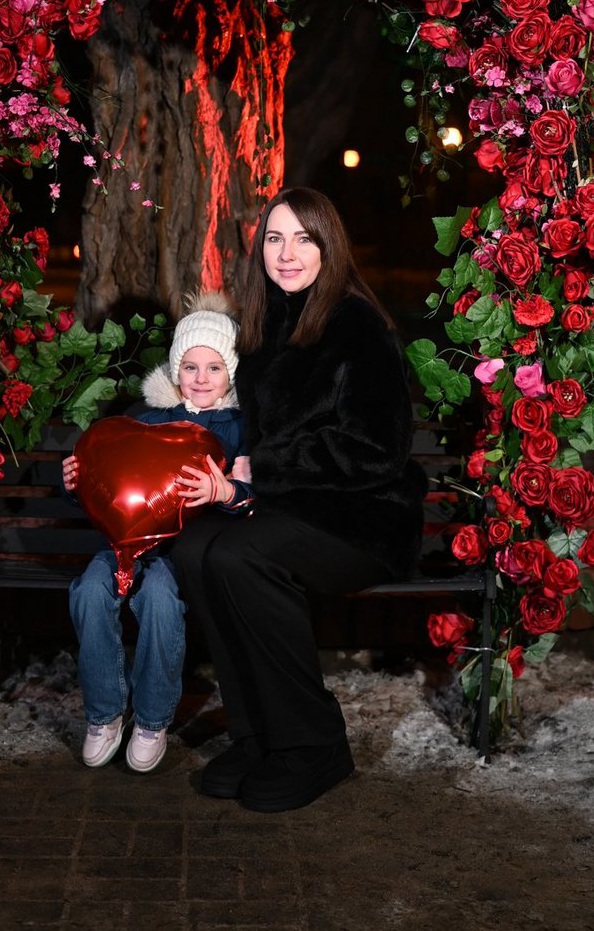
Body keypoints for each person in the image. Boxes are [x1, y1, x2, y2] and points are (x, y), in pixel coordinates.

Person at [172, 187, 428, 813]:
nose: (288, 254)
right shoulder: (263, 327)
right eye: (275, 239)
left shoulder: (358, 326)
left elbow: (376, 451)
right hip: (291, 510)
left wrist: (269, 467)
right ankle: (258, 734)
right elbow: (213, 415)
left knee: (240, 556)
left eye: (304, 239)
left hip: (364, 519)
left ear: (328, 247)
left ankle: (314, 745)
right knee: (197, 546)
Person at [62, 290, 249, 774]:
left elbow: (253, 499)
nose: (201, 378)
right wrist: (75, 481)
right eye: (190, 367)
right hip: (125, 543)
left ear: (230, 373)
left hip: (182, 550)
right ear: (174, 370)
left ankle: (151, 718)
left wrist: (225, 491)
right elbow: (109, 482)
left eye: (214, 368)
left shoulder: (239, 431)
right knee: (88, 591)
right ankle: (104, 713)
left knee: (161, 600)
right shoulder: (145, 421)